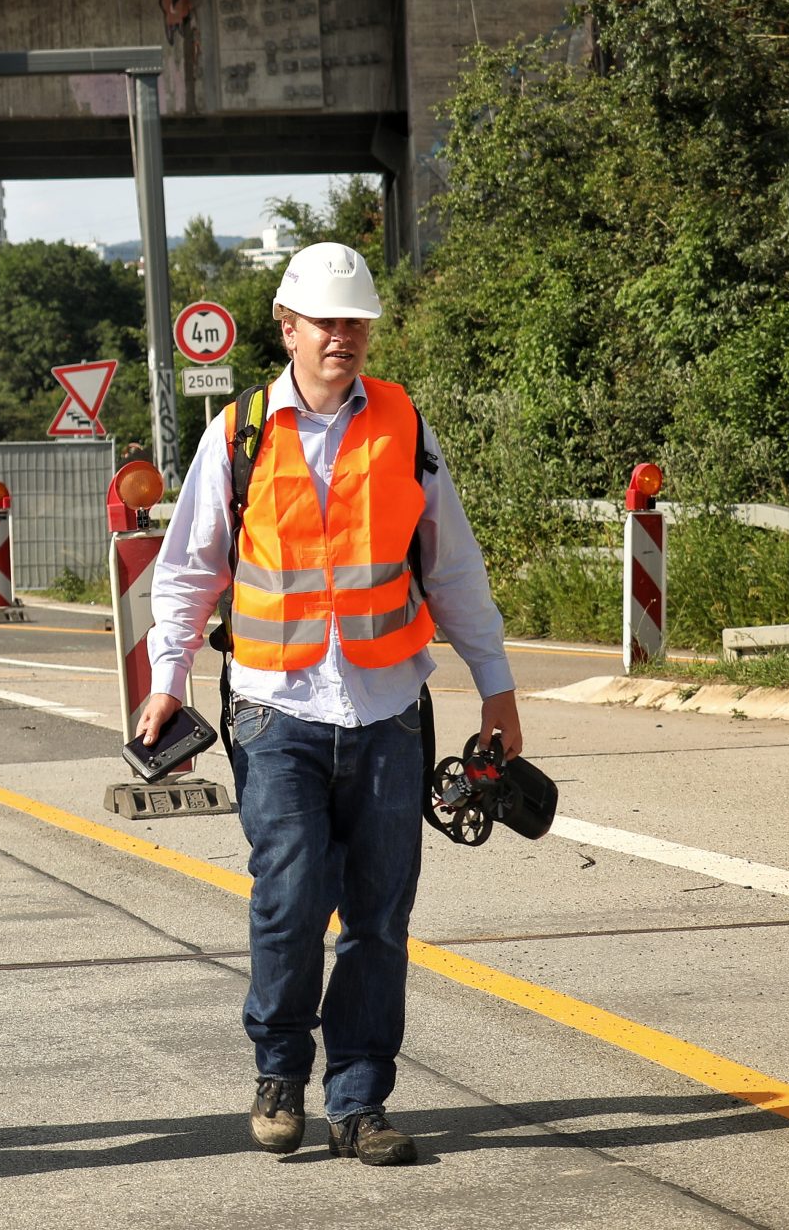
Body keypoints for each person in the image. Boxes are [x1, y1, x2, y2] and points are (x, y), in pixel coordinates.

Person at [135, 242, 522, 1168]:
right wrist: (165, 679)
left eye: (356, 321)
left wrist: (497, 685)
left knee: (380, 915)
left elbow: (451, 563)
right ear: (289, 328)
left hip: (388, 706)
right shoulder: (236, 435)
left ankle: (359, 1102)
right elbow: (190, 570)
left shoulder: (402, 423)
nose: (343, 336)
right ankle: (279, 1068)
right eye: (327, 320)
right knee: (291, 896)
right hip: (274, 706)